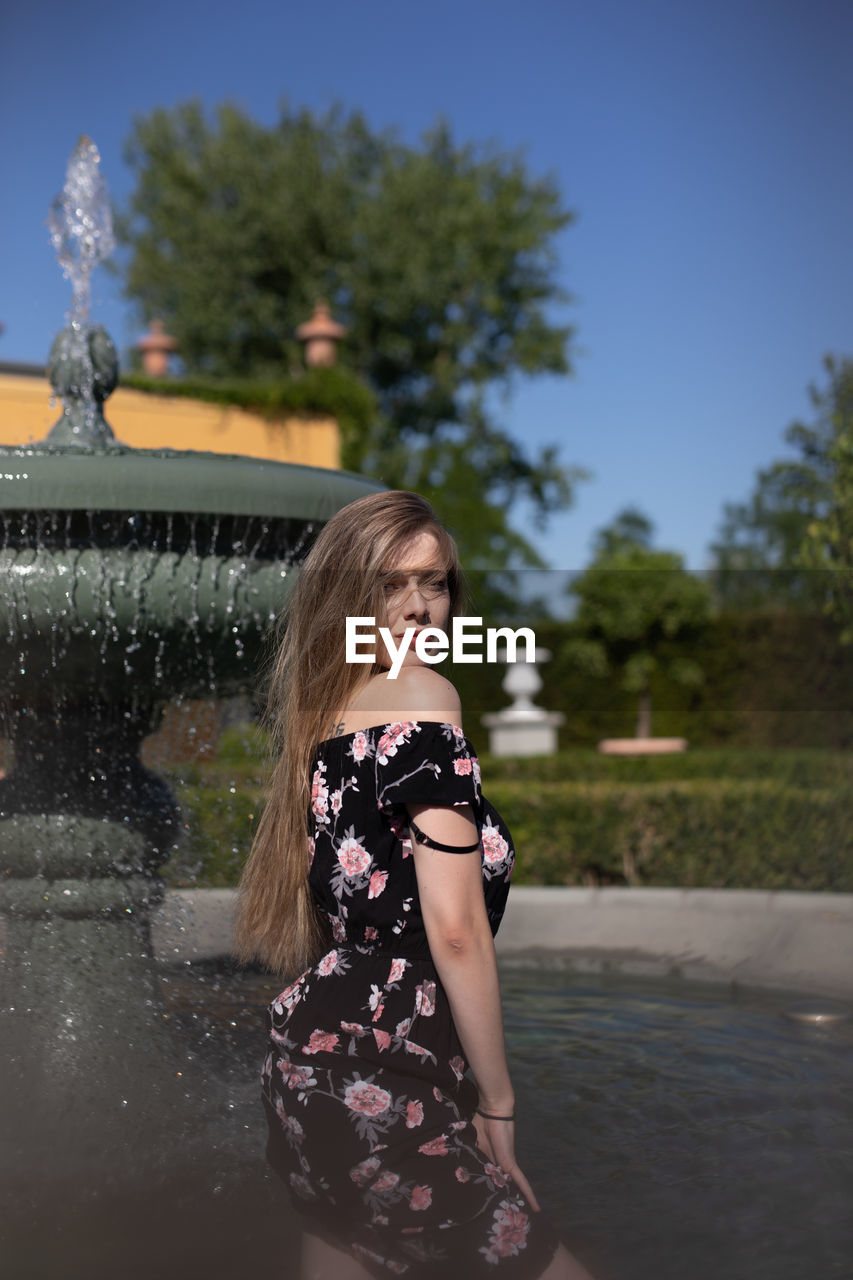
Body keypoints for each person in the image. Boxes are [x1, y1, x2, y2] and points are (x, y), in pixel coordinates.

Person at [236, 491, 596, 1280]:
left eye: (433, 584)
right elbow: (455, 927)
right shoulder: (425, 699)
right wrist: (497, 1102)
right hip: (383, 1083)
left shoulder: (325, 718)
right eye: (389, 586)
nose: (418, 608)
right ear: (348, 600)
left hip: (303, 1073)